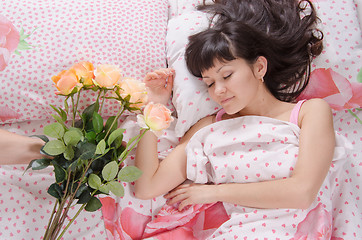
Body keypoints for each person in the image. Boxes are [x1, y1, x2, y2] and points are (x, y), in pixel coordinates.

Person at [134, 0, 347, 238]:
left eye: (227, 75)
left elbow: (302, 192)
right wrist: (153, 107)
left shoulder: (310, 113)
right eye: (210, 83)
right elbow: (147, 187)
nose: (219, 91)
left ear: (259, 68)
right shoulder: (212, 127)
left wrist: (213, 193)